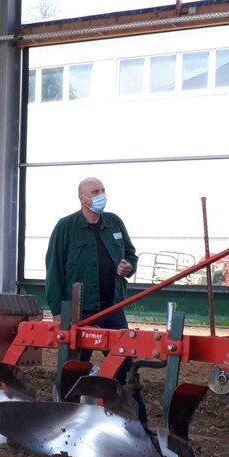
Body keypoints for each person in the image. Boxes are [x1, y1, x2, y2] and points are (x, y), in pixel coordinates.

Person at [45, 176, 147, 426]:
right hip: (81, 313)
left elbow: (131, 254)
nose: (101, 194)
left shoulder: (114, 222)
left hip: (113, 309)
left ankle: (139, 426)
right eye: (95, 191)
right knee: (74, 370)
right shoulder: (65, 227)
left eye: (103, 189)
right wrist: (59, 312)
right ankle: (63, 424)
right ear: (83, 198)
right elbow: (54, 269)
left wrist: (128, 267)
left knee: (126, 368)